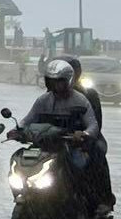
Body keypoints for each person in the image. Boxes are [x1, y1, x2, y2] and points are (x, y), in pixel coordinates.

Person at [13, 60, 99, 195]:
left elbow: (93, 124)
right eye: (52, 81)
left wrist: (83, 134)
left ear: (68, 81)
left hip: (69, 146)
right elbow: (28, 119)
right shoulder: (43, 100)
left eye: (59, 81)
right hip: (44, 146)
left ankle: (82, 197)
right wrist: (16, 130)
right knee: (21, 162)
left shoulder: (80, 100)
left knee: (80, 166)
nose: (56, 85)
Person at [62, 56, 116, 215]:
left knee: (96, 154)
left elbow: (96, 122)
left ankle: (104, 199)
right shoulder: (50, 95)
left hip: (85, 140)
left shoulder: (89, 94)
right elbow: (37, 116)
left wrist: (83, 134)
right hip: (58, 140)